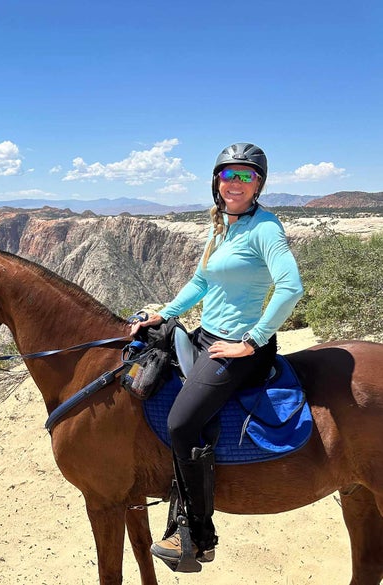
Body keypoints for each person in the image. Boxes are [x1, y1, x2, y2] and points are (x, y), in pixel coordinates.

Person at [132, 142, 304, 569]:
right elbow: (200, 281)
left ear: (259, 183)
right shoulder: (221, 225)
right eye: (229, 175)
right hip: (207, 335)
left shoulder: (266, 228)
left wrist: (254, 339)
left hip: (241, 349)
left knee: (182, 421)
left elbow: (290, 288)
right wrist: (166, 313)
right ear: (217, 181)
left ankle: (198, 536)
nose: (236, 183)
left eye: (246, 176)